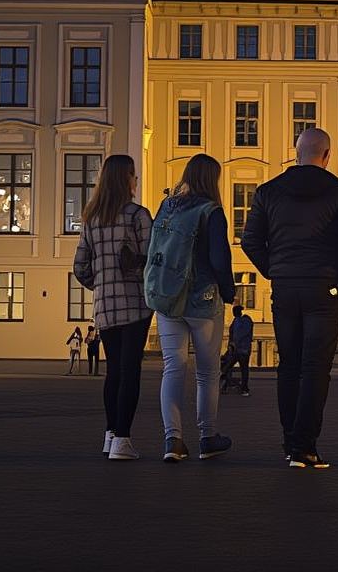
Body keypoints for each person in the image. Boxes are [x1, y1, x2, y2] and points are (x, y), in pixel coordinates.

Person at [240, 127, 338, 470]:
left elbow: (250, 240)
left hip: (285, 287)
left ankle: (290, 442)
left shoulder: (268, 192)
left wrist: (274, 270)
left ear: (296, 153)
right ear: (327, 155)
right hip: (324, 288)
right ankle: (304, 446)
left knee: (289, 365)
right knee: (315, 368)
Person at [149, 154, 236, 463]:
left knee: (173, 367)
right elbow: (219, 259)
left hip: (168, 297)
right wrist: (229, 291)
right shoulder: (212, 211)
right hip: (203, 300)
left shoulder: (167, 206)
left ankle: (172, 440)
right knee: (207, 372)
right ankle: (207, 437)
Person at [71, 155, 154, 461]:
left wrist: (102, 284)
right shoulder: (138, 215)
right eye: (134, 175)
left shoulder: (91, 219)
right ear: (126, 178)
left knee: (113, 371)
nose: (136, 180)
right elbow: (152, 259)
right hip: (135, 303)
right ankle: (122, 439)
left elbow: (80, 267)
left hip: (105, 306)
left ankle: (109, 435)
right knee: (130, 371)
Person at [224, 305, 254, 396]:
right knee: (243, 369)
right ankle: (243, 388)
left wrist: (232, 345)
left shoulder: (238, 321)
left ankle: (228, 386)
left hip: (238, 349)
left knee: (228, 367)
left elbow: (236, 336)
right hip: (243, 349)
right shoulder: (245, 321)